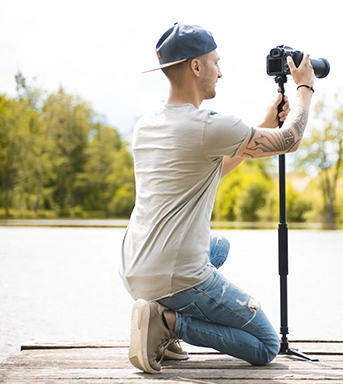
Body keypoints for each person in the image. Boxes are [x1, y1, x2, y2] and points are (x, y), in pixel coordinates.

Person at [120, 22, 315, 374]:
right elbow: (291, 140)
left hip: (136, 267)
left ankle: (155, 313)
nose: (221, 72)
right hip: (175, 274)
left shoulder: (146, 124)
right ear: (197, 67)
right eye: (216, 62)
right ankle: (166, 322)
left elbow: (214, 167)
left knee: (219, 246)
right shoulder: (207, 125)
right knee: (266, 345)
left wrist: (265, 122)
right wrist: (304, 87)